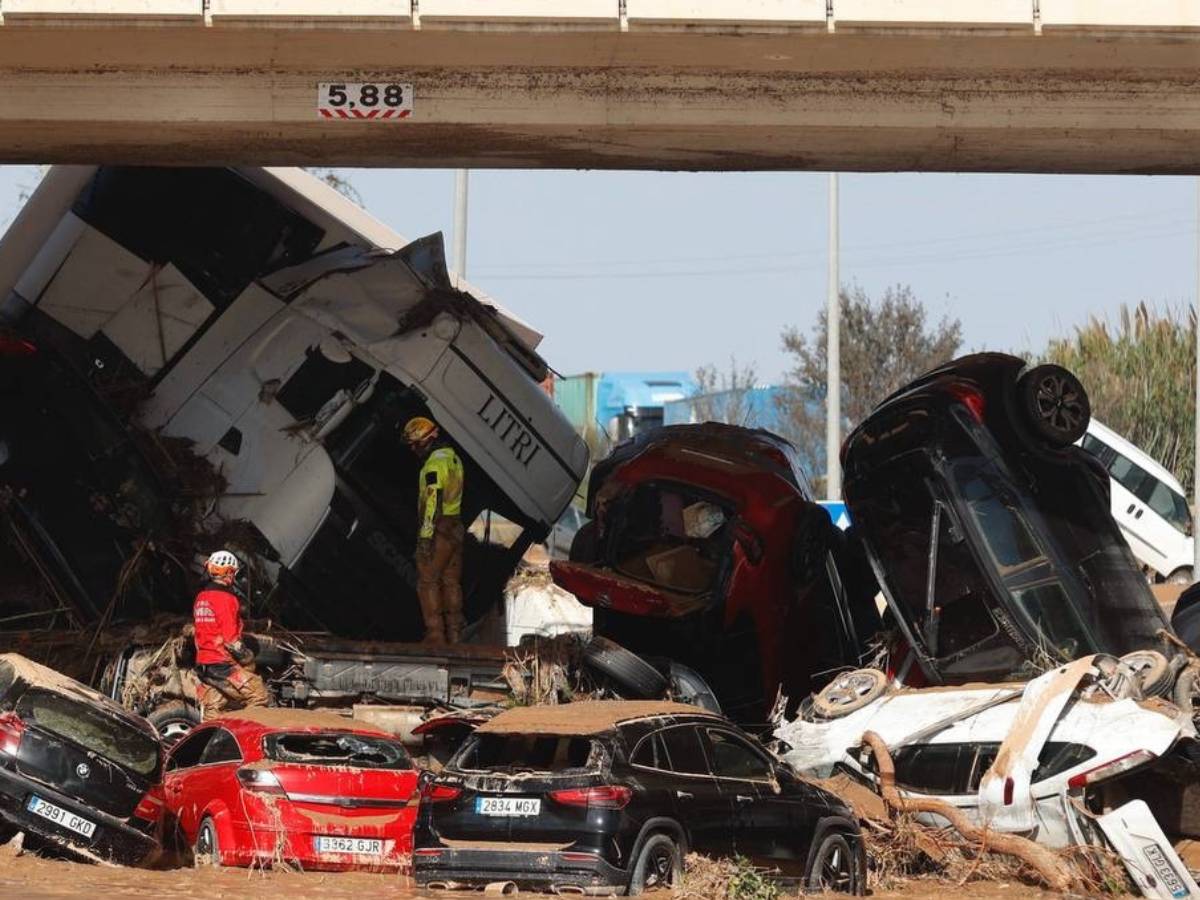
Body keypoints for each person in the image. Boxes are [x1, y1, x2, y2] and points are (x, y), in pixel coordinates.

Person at [403, 416, 465, 643]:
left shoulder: (433, 465)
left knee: (427, 580)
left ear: (426, 440)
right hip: (456, 526)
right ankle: (455, 634)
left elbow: (432, 500)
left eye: (415, 443)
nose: (413, 449)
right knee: (450, 582)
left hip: (439, 529)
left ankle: (436, 635)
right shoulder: (453, 459)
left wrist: (425, 539)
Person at [192, 550, 268, 719]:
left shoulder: (201, 597)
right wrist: (248, 660)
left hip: (204, 665)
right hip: (222, 665)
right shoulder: (226, 599)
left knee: (215, 709)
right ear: (228, 572)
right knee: (259, 695)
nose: (234, 577)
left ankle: (208, 741)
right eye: (234, 572)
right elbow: (231, 641)